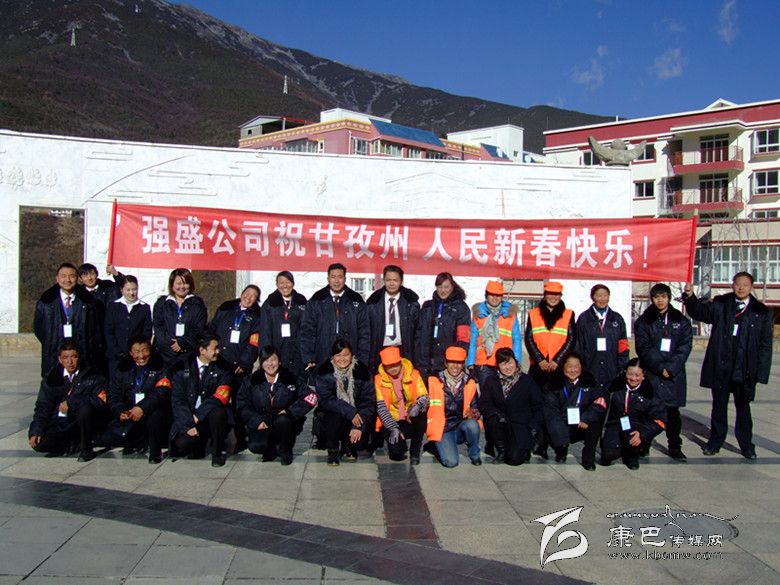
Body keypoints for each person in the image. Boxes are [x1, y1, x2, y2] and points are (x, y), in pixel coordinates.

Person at [683, 272, 773, 460]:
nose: (741, 288)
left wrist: (761, 373)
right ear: (732, 285)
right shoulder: (721, 304)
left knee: (743, 408)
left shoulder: (761, 312)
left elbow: (765, 345)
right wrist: (690, 297)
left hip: (744, 368)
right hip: (721, 365)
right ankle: (715, 442)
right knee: (719, 406)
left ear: (751, 287)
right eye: (738, 284)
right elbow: (700, 312)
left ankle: (746, 445)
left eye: (745, 285)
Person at [634, 283, 692, 461]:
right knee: (648, 412)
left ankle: (675, 446)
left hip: (673, 375)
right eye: (656, 297)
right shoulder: (644, 321)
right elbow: (643, 347)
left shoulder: (680, 320)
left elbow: (685, 346)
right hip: (652, 373)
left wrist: (671, 368)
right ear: (652, 299)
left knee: (672, 414)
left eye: (663, 297)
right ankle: (644, 444)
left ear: (669, 298)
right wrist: (660, 367)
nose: (660, 300)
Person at [28, 341, 109, 462]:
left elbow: (100, 400)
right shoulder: (52, 378)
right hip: (61, 422)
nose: (70, 362)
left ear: (79, 357)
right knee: (40, 444)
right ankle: (70, 444)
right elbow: (43, 406)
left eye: (74, 357)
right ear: (60, 359)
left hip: (82, 421)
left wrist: (72, 403)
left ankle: (86, 448)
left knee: (85, 410)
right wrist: (36, 430)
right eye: (66, 358)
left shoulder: (93, 375)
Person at [237, 346, 318, 465]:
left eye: (273, 360)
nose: (270, 364)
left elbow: (311, 397)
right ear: (261, 363)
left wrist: (291, 411)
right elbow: (242, 403)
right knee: (256, 446)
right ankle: (270, 449)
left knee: (283, 421)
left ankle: (285, 451)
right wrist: (256, 420)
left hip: (285, 423)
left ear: (279, 361)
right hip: (262, 422)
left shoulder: (290, 378)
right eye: (266, 360)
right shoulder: (252, 380)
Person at [101, 337, 171, 463]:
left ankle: (155, 453)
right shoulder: (122, 369)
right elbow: (113, 395)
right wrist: (120, 411)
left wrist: (142, 408)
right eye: (137, 352)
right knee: (108, 438)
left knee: (156, 416)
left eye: (144, 350)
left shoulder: (160, 367)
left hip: (151, 410)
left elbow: (162, 392)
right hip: (129, 412)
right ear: (131, 353)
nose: (141, 356)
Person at [169, 332, 232, 467]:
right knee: (182, 445)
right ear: (202, 350)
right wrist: (188, 424)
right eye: (215, 348)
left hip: (208, 415)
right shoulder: (183, 366)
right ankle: (199, 443)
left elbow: (221, 396)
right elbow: (178, 400)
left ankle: (217, 453)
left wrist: (199, 415)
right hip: (190, 415)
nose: (218, 351)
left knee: (219, 413)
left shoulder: (224, 367)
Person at [34, 262, 103, 377]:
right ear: (57, 278)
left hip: (82, 354)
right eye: (63, 276)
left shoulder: (88, 303)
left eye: (71, 276)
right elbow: (39, 329)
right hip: (54, 354)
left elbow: (95, 330)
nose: (67, 280)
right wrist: (52, 341)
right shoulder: (46, 303)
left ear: (77, 278)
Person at [314, 340, 376, 465]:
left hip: (357, 415)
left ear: (352, 355)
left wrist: (358, 426)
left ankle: (348, 446)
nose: (342, 359)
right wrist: (349, 411)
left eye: (346, 355)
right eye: (338, 355)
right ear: (333, 357)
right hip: (333, 415)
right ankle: (332, 450)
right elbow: (325, 399)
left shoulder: (362, 372)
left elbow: (368, 401)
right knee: (335, 416)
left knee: (359, 443)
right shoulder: (324, 371)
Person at [478, 348, 543, 465]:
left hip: (520, 425)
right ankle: (501, 450)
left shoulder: (526, 380)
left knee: (514, 460)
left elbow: (537, 406)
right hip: (500, 423)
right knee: (492, 418)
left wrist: (534, 427)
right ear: (498, 366)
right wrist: (495, 413)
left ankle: (524, 449)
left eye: (510, 363)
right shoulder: (491, 380)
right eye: (503, 364)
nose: (507, 367)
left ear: (515, 362)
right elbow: (484, 403)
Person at [543, 353, 607, 470]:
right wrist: (561, 438)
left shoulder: (590, 382)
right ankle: (561, 451)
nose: (573, 370)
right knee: (550, 427)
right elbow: (551, 411)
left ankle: (588, 459)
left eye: (576, 366)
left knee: (595, 423)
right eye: (569, 366)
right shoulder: (554, 384)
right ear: (563, 367)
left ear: (581, 367)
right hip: (562, 422)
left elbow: (600, 403)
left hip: (581, 422)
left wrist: (586, 418)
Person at [300, 263, 370, 370]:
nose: (336, 281)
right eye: (333, 277)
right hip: (322, 356)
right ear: (328, 279)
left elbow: (364, 333)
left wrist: (362, 360)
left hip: (350, 358)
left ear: (345, 279)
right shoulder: (316, 300)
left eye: (340, 277)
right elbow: (307, 331)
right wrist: (308, 358)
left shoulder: (356, 300)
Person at [601, 358, 666, 470]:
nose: (633, 378)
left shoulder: (650, 392)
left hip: (637, 426)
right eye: (630, 374)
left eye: (637, 375)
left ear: (643, 375)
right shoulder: (614, 386)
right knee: (609, 455)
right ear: (625, 372)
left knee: (633, 442)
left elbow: (659, 420)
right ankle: (616, 447)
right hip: (615, 423)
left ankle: (631, 455)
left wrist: (642, 433)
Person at [423, 346, 482, 467]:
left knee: (473, 425)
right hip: (443, 427)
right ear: (446, 363)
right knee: (451, 462)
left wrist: (473, 413)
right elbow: (423, 405)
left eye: (459, 363)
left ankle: (475, 455)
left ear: (463, 364)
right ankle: (436, 444)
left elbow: (476, 407)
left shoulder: (470, 382)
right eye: (452, 362)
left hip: (461, 425)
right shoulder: (433, 380)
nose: (455, 366)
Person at [375, 346, 429, 464]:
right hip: (391, 420)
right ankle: (400, 440)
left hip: (410, 417)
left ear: (400, 362)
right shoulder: (378, 380)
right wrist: (393, 427)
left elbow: (424, 396)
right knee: (396, 453)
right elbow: (381, 408)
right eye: (389, 366)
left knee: (421, 416)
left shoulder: (413, 374)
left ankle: (415, 453)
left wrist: (417, 406)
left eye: (396, 364)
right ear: (384, 366)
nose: (393, 368)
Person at [415, 272, 471, 380]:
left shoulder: (461, 308)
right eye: (439, 287)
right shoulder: (428, 306)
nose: (442, 290)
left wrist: (456, 362)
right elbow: (419, 334)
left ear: (452, 287)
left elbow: (463, 339)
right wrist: (418, 356)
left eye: (446, 287)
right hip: (425, 364)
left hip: (447, 364)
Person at [467, 280, 523, 385]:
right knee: (487, 393)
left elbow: (516, 340)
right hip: (484, 363)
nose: (495, 298)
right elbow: (473, 342)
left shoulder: (510, 315)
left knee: (506, 393)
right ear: (486, 296)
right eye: (491, 294)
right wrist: (470, 363)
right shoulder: (478, 315)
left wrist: (517, 362)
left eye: (498, 295)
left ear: (502, 297)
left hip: (505, 362)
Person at [366, 265, 420, 373]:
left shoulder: (411, 303)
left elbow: (418, 331)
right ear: (384, 281)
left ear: (401, 281)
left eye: (395, 280)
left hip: (403, 350)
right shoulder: (373, 303)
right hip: (380, 350)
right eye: (388, 280)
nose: (391, 283)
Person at [575, 284, 629, 389]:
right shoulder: (584, 319)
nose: (602, 299)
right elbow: (578, 346)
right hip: (590, 370)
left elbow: (623, 347)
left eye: (605, 295)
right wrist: (583, 368)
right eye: (599, 296)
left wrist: (622, 368)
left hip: (612, 370)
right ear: (592, 297)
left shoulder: (617, 319)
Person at [525, 281, 576, 390]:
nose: (553, 297)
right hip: (538, 366)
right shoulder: (533, 314)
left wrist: (557, 360)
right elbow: (528, 339)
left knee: (558, 395)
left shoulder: (568, 314)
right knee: (535, 394)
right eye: (550, 294)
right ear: (545, 295)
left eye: (556, 294)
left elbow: (571, 339)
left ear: (561, 296)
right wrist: (540, 360)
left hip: (559, 365)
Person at [153, 268, 208, 367]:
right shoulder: (162, 303)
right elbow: (158, 327)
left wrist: (182, 343)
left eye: (185, 283)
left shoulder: (198, 304)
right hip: (165, 356)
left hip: (188, 355)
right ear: (172, 284)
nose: (182, 287)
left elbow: (199, 329)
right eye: (178, 283)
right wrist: (172, 344)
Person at [103, 275, 152, 379]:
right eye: (128, 290)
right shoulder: (113, 306)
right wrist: (118, 351)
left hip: (136, 355)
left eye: (134, 289)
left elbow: (146, 332)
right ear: (122, 290)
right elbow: (109, 331)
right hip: (115, 355)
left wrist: (137, 351)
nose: (132, 293)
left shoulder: (144, 308)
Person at [208, 285, 262, 376]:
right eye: (247, 293)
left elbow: (254, 344)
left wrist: (245, 363)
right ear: (242, 293)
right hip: (217, 358)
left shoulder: (257, 317)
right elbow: (212, 328)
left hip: (237, 365)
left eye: (253, 296)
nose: (248, 297)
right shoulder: (226, 307)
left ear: (256, 300)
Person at [261, 271, 307, 379]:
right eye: (281, 283)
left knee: (298, 383)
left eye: (288, 282)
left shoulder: (301, 301)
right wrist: (267, 356)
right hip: (278, 353)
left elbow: (307, 329)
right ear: (277, 285)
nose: (285, 286)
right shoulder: (270, 303)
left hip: (298, 355)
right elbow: (265, 332)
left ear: (293, 283)